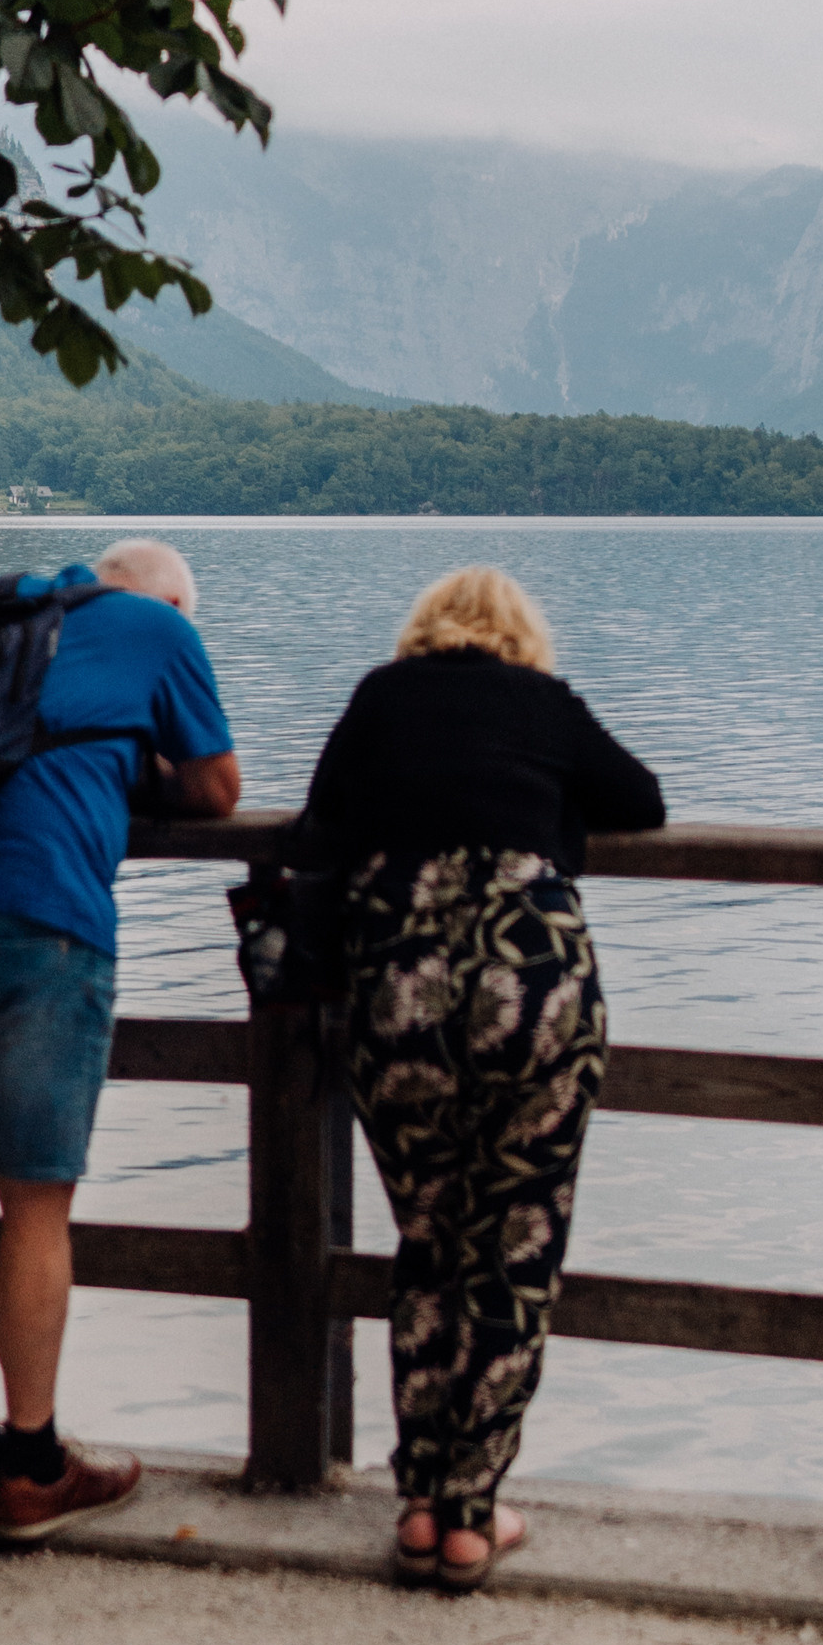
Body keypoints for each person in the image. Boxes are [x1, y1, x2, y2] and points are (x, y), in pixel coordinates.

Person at [299, 565, 664, 1591]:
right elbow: (642, 797)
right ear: (520, 635)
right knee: (516, 1242)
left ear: (423, 629)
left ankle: (418, 1503)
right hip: (531, 985)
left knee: (427, 1236)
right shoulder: (540, 703)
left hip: (399, 993)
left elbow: (320, 825)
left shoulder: (380, 696)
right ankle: (474, 1508)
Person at [0, 538, 240, 1541]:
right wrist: (132, 775)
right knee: (37, 1199)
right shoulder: (161, 628)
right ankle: (34, 1468)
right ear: (170, 599)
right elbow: (218, 788)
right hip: (40, 915)